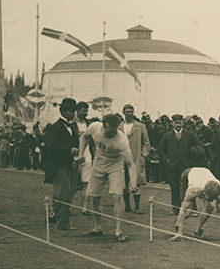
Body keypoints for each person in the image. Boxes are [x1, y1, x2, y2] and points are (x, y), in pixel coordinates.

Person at [78, 113, 139, 242]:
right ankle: (97, 227)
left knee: (118, 195)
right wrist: (80, 154)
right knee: (93, 197)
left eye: (114, 131)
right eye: (109, 131)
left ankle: (118, 231)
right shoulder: (95, 127)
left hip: (115, 164)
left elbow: (131, 164)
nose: (111, 134)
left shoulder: (122, 140)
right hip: (99, 162)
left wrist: (133, 183)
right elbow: (84, 137)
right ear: (103, 126)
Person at [43, 98, 80, 230]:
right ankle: (62, 223)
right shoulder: (54, 127)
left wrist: (76, 156)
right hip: (56, 165)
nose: (73, 114)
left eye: (74, 111)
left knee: (64, 193)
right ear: (63, 111)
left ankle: (54, 217)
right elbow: (51, 145)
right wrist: (69, 150)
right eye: (70, 111)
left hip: (68, 164)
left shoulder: (73, 127)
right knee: (64, 193)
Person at [170, 167, 220, 241]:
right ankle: (178, 225)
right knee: (188, 211)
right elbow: (183, 209)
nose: (209, 200)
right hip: (187, 174)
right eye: (207, 198)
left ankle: (197, 230)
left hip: (204, 173)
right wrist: (180, 233)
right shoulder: (193, 189)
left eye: (211, 199)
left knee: (210, 207)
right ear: (204, 192)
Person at [157, 114, 203, 214]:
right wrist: (166, 160)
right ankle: (175, 209)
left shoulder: (190, 135)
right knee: (174, 186)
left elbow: (199, 147)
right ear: (172, 123)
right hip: (173, 165)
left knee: (190, 187)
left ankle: (192, 209)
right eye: (176, 122)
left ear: (183, 123)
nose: (178, 124)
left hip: (186, 166)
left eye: (180, 122)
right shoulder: (167, 136)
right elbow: (161, 150)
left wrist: (192, 152)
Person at [120, 104, 151, 214]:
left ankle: (137, 206)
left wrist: (143, 155)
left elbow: (146, 143)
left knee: (136, 182)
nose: (130, 114)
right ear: (123, 113)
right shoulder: (119, 127)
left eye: (131, 112)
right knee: (123, 182)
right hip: (122, 158)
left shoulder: (140, 126)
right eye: (127, 112)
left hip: (136, 158)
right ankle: (127, 206)